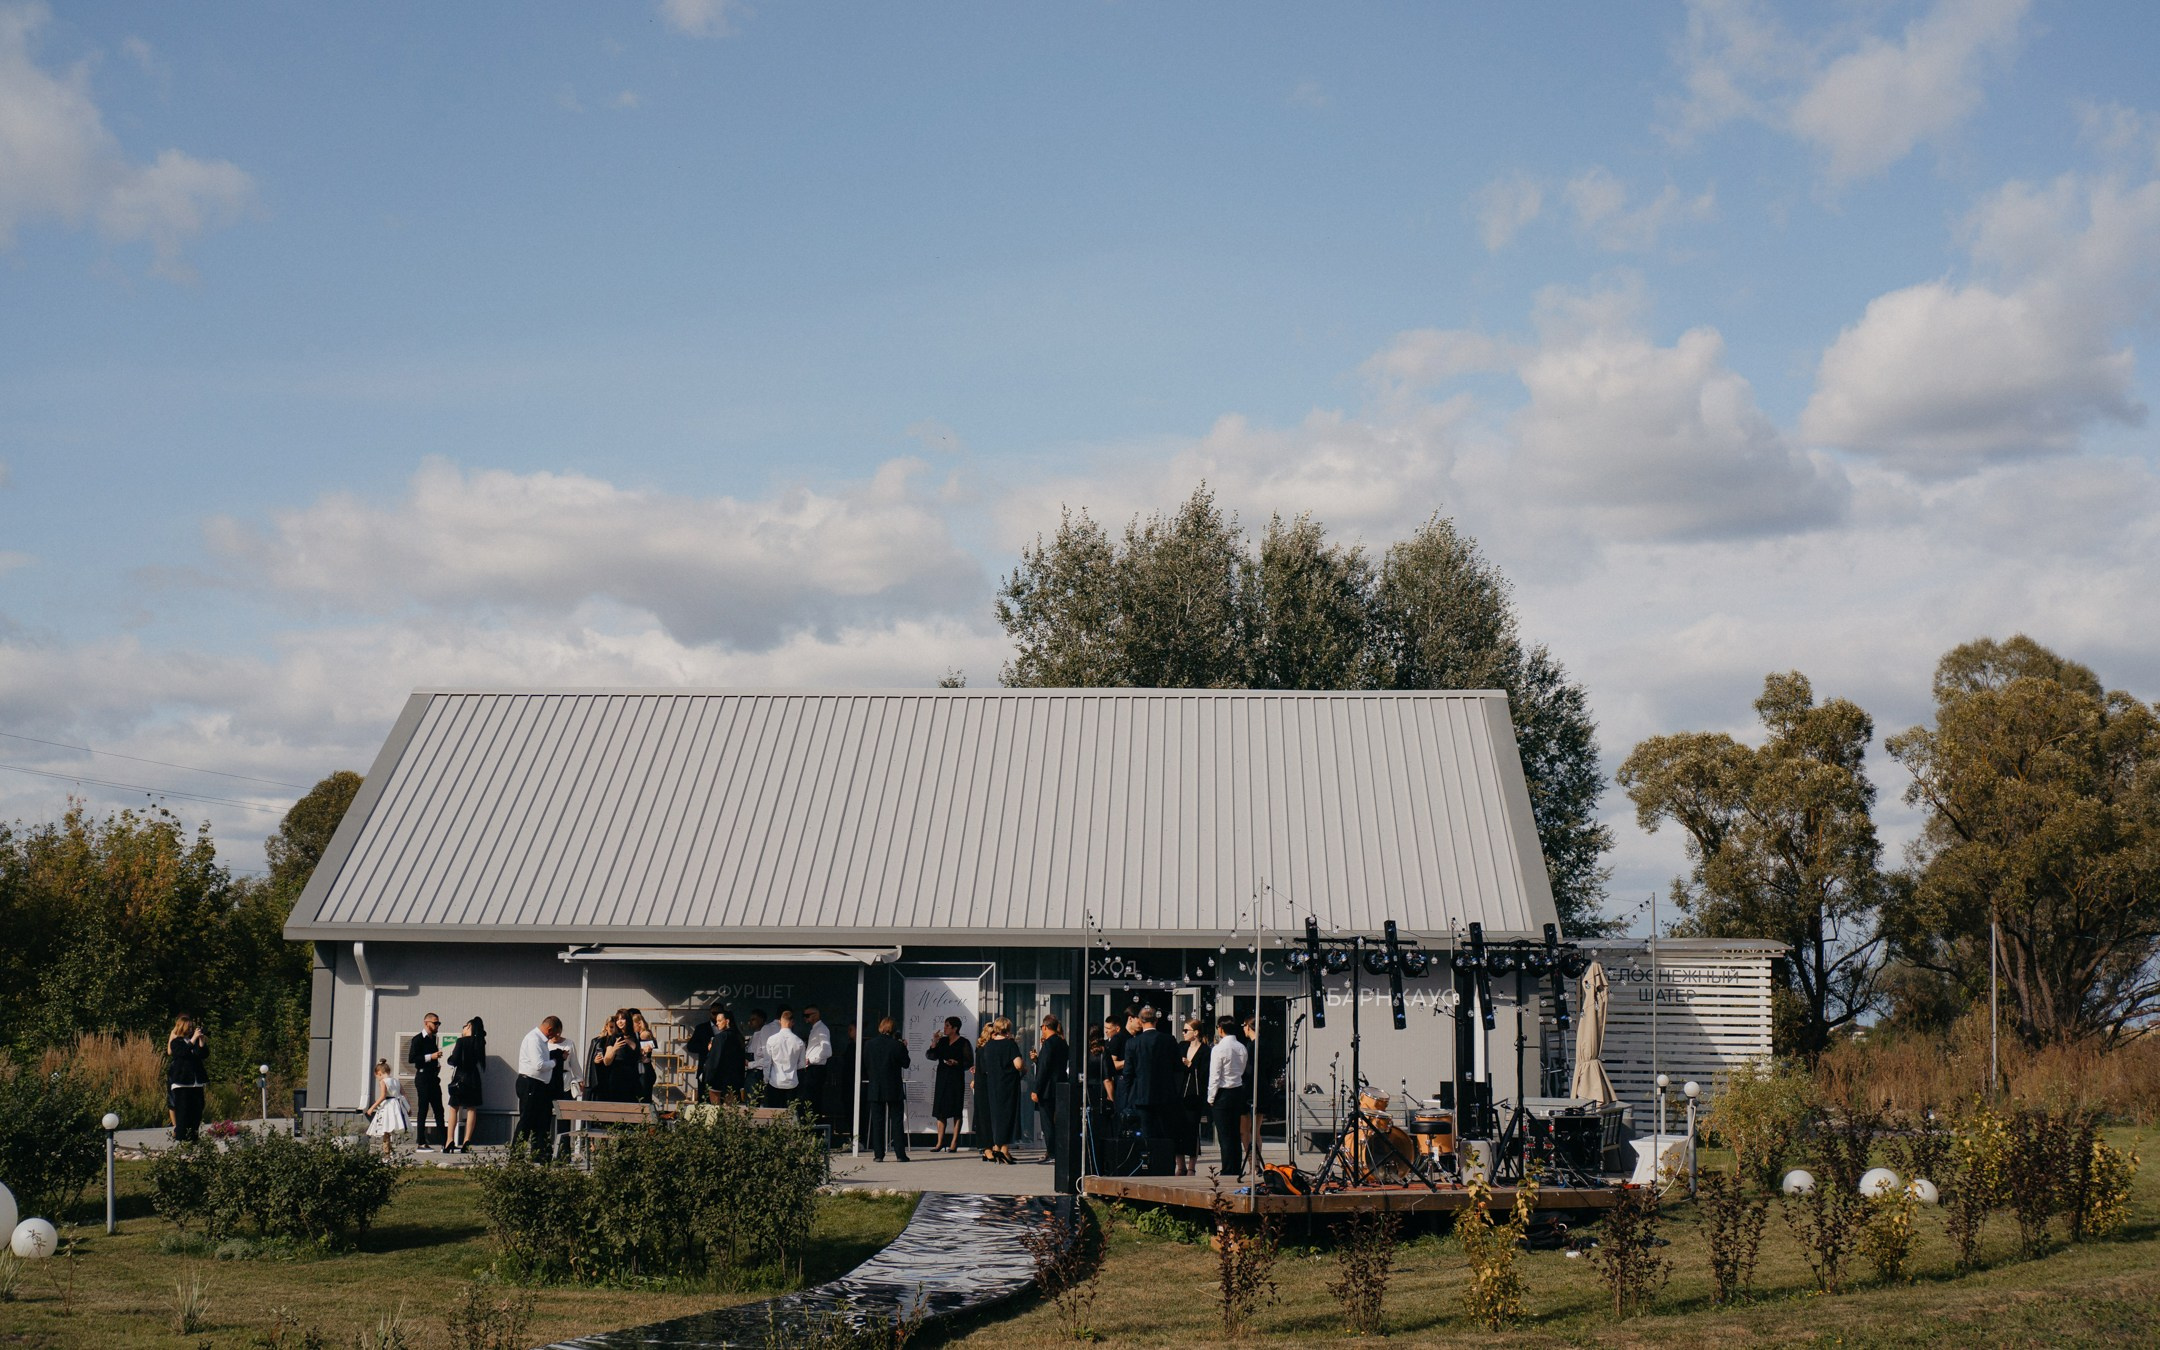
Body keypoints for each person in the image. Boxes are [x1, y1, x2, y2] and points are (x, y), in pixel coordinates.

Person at [515, 1015, 579, 1158]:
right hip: (529, 1083)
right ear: (549, 1029)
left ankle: (539, 1152)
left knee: (541, 1120)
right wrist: (555, 1061)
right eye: (555, 1033)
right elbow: (538, 1065)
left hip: (539, 1085)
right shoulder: (534, 1039)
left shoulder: (543, 1041)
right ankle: (516, 1153)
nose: (555, 1037)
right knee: (526, 1120)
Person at [1124, 1007, 1180, 1168]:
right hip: (1165, 1095)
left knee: (1146, 1134)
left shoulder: (1133, 1043)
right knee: (1165, 1134)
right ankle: (1166, 1165)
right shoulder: (1169, 1040)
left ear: (1141, 1022)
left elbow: (1128, 1072)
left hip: (1141, 1095)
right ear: (1156, 1020)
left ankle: (1148, 1165)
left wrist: (1128, 1096)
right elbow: (1178, 1068)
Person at [862, 1016, 911, 1162]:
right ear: (894, 1029)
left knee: (878, 1121)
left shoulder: (869, 1044)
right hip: (893, 1086)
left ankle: (878, 1154)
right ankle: (900, 1154)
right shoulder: (897, 1045)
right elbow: (906, 1063)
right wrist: (904, 1048)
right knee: (896, 1121)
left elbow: (866, 1064)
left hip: (876, 1086)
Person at [978, 1017, 1027, 1165]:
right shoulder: (1010, 1044)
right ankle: (1003, 1150)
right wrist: (1025, 1068)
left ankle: (999, 1148)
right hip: (1008, 1084)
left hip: (992, 1085)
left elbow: (985, 1067)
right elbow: (1018, 1064)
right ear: (1008, 1028)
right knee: (1008, 1116)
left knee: (997, 1117)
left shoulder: (988, 1046)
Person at [1207, 1015, 1250, 1176]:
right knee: (1234, 1133)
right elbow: (1243, 1068)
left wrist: (1211, 1097)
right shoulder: (1241, 1047)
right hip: (1237, 1091)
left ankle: (1227, 1169)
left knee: (1224, 1134)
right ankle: (1236, 1167)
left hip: (1223, 1092)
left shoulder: (1218, 1049)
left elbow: (1215, 1076)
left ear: (1220, 1028)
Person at [927, 1016, 973, 1152]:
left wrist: (957, 1063)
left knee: (956, 1110)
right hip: (942, 1077)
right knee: (940, 1111)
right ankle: (939, 1142)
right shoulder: (942, 1041)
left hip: (955, 1078)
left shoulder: (963, 1042)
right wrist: (934, 1042)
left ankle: (954, 1142)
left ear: (955, 1028)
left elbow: (969, 1062)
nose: (945, 1028)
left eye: (947, 1026)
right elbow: (931, 1056)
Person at [1030, 1014, 1070, 1167]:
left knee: (1047, 1123)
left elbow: (1044, 1069)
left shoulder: (1048, 1044)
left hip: (1047, 1089)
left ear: (1045, 1027)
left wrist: (1036, 1089)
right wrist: (1037, 1060)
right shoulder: (1062, 1043)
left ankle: (1052, 1153)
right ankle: (1056, 1152)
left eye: (1041, 1027)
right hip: (1059, 1087)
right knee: (1057, 1121)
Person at [445, 1017, 486, 1153]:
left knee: (454, 1108)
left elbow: (454, 1060)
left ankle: (449, 1140)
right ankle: (466, 1140)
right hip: (474, 1078)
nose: (463, 1028)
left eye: (465, 1026)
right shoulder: (480, 1042)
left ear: (469, 1027)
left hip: (460, 1078)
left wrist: (449, 1058)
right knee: (471, 1108)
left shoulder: (461, 1041)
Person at [166, 1013, 209, 1143]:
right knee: (183, 1114)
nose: (190, 1029)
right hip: (182, 1083)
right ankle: (181, 1140)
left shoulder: (194, 1041)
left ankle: (194, 1139)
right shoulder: (176, 1042)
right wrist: (193, 1039)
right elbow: (182, 1053)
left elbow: (203, 1054)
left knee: (197, 1113)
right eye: (188, 1027)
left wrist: (201, 1040)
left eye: (192, 1027)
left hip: (196, 1083)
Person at [1175, 1016, 1209, 1176]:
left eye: (1186, 1030)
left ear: (1195, 1033)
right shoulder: (1182, 1046)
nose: (1183, 1033)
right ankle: (1180, 1165)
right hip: (1180, 1093)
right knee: (1178, 1128)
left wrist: (1190, 1064)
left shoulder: (1205, 1050)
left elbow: (1205, 1073)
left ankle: (1191, 1166)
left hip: (1195, 1095)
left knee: (1192, 1129)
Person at [408, 1012, 446, 1151]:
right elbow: (412, 1058)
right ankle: (421, 1142)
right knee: (423, 1109)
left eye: (438, 1023)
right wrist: (431, 1056)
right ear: (426, 1023)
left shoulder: (432, 1039)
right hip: (423, 1078)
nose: (437, 1026)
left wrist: (436, 1065)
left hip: (433, 1077)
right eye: (435, 1023)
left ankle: (445, 1142)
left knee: (439, 1109)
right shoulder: (418, 1039)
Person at [587, 1009, 640, 1103]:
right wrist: (614, 1049)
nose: (620, 1021)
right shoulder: (614, 1037)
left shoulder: (635, 1037)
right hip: (617, 1079)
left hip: (633, 1078)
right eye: (617, 1019)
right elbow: (607, 1061)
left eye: (622, 1018)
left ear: (628, 1020)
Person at [698, 1006, 746, 1101]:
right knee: (731, 1109)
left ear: (727, 1021)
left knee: (716, 1109)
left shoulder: (720, 1038)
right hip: (735, 1079)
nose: (717, 1023)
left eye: (719, 1021)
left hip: (718, 1080)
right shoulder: (738, 1037)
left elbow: (714, 1060)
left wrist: (707, 1077)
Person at [763, 1008, 807, 1110]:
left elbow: (767, 1062)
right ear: (792, 1022)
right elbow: (802, 1065)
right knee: (791, 1115)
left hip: (774, 1081)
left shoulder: (772, 1040)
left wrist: (766, 1080)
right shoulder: (799, 1042)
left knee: (773, 1114)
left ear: (780, 1021)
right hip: (792, 1082)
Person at [365, 1058, 410, 1156]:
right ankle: (390, 1150)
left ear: (379, 1073)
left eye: (377, 1076)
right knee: (392, 1128)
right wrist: (408, 1107)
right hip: (397, 1105)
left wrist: (372, 1107)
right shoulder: (396, 1081)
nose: (378, 1079)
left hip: (388, 1105)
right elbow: (404, 1094)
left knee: (386, 1128)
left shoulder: (383, 1081)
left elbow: (383, 1096)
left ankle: (387, 1153)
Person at [799, 1005, 832, 1127]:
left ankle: (815, 1130)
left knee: (812, 1101)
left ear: (816, 1015)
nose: (805, 1018)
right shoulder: (815, 1029)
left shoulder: (822, 1029)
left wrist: (811, 1060)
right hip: (812, 1069)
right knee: (810, 1101)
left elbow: (827, 1051)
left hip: (816, 1069)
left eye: (807, 1015)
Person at [630, 1010, 659, 1103]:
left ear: (639, 1023)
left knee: (644, 1099)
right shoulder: (644, 1033)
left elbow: (643, 1052)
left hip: (645, 1070)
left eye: (632, 1024)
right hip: (646, 1069)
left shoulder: (644, 1034)